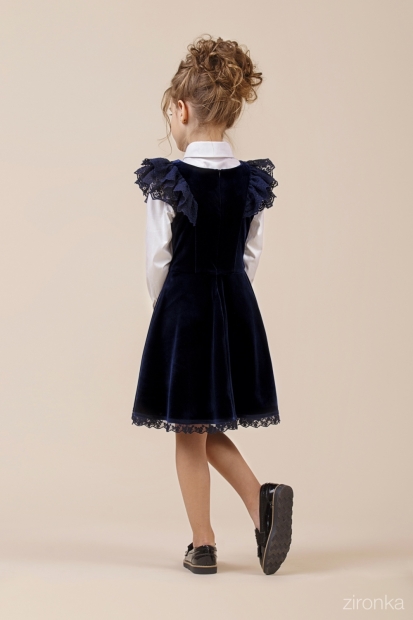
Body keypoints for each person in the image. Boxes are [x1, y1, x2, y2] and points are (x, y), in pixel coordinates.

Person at [132, 35, 293, 576]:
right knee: (200, 421)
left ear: (181, 110)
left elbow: (158, 259)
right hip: (234, 308)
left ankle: (203, 544)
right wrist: (230, 306)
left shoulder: (169, 180)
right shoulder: (251, 181)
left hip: (184, 309)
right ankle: (259, 501)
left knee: (187, 427)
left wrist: (167, 314)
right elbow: (251, 255)